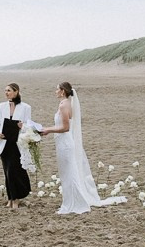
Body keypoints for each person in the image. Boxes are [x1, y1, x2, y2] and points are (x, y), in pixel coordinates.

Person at [39, 81, 126, 215]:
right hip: (63, 142)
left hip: (65, 143)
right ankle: (71, 199)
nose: (55, 91)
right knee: (67, 172)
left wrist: (48, 130)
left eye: (57, 89)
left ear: (63, 91)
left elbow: (65, 127)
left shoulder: (64, 105)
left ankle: (75, 202)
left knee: (69, 172)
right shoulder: (67, 103)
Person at [0, 82, 32, 209]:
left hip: (17, 143)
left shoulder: (25, 107)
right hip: (5, 143)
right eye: (5, 90)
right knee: (7, 171)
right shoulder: (0, 106)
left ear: (16, 92)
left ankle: (16, 199)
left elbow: (28, 125)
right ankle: (10, 198)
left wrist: (23, 126)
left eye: (9, 90)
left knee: (14, 171)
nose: (6, 93)